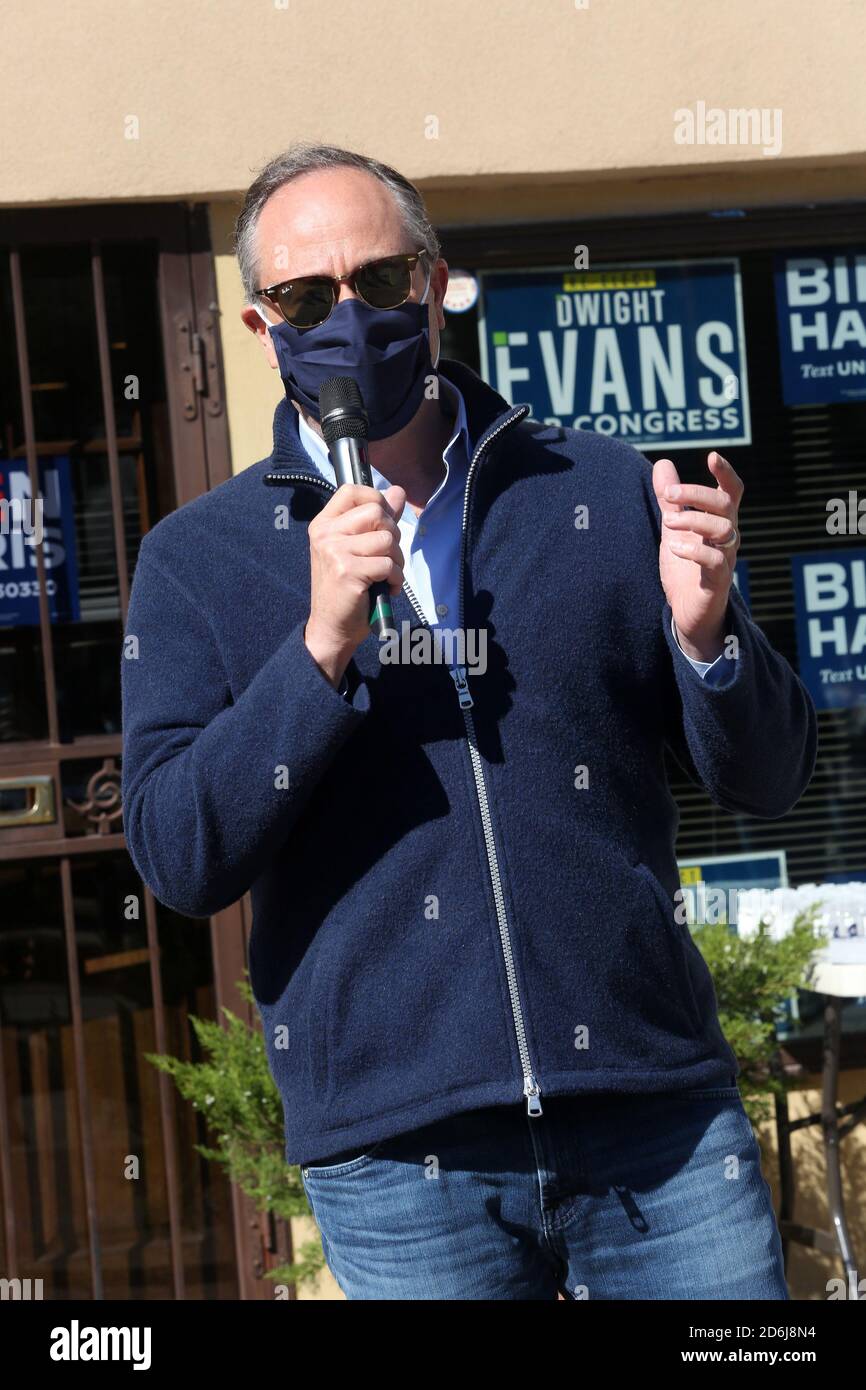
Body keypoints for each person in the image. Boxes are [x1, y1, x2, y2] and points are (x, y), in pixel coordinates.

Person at [121, 142, 817, 1300]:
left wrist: (708, 641)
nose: (350, 316)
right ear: (259, 327)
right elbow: (182, 854)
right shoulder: (195, 564)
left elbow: (770, 776)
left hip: (657, 1127)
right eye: (304, 296)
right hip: (400, 1160)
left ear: (434, 284)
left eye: (382, 282)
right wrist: (318, 649)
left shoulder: (594, 489)